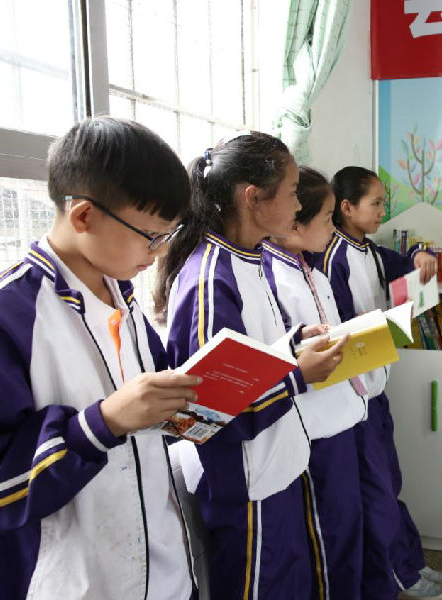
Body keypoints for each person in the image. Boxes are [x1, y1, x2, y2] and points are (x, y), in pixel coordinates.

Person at [0, 117, 202, 599]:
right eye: (150, 235)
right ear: (84, 216)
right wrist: (103, 423)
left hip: (164, 569)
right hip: (75, 580)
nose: (160, 252)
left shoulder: (122, 294)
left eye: (168, 235)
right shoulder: (12, 314)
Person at [155, 132, 346, 600]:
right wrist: (297, 376)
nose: (298, 204)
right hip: (245, 486)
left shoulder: (249, 258)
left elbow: (246, 359)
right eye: (292, 191)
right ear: (253, 198)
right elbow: (202, 414)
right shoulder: (210, 278)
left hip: (275, 467)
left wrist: (293, 343)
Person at [321, 166, 442, 600]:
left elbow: (405, 262)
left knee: (390, 481)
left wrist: (420, 255)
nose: (382, 212)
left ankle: (408, 562)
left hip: (376, 390)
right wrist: (386, 328)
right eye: (375, 203)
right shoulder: (332, 257)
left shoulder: (369, 251)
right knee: (376, 491)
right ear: (346, 207)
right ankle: (398, 575)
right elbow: (340, 337)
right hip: (352, 397)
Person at [260, 166, 368, 598]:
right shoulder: (272, 278)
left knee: (347, 527)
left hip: (343, 417)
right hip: (315, 430)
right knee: (327, 539)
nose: (332, 228)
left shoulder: (314, 273)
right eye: (326, 219)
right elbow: (281, 362)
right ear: (293, 224)